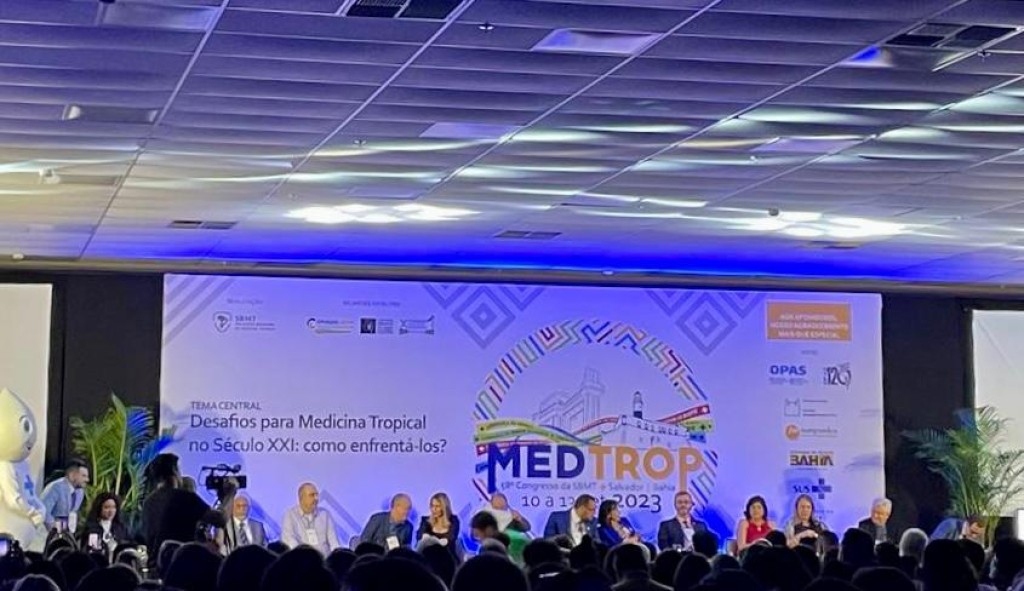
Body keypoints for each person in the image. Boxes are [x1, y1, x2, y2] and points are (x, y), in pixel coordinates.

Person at [142, 453, 210, 555]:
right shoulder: (185, 498)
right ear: (174, 471)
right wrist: (229, 493)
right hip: (181, 560)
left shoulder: (148, 503)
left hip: (155, 561)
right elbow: (220, 519)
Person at [280, 482, 341, 554]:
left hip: (325, 559)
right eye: (312, 495)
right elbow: (290, 542)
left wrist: (337, 556)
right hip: (302, 558)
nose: (316, 498)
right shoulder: (290, 516)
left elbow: (334, 541)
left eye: (316, 495)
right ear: (301, 498)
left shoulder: (325, 514)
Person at [39, 459, 89, 531]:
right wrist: (55, 529)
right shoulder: (56, 487)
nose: (87, 480)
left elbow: (73, 513)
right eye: (83, 476)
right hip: (46, 532)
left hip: (65, 532)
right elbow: (43, 511)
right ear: (72, 475)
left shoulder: (80, 492)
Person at [416, 492, 460, 558]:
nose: (434, 509)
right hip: (427, 557)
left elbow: (451, 539)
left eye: (437, 506)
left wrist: (431, 540)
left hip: (447, 557)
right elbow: (419, 538)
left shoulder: (454, 521)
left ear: (444, 507)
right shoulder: (425, 521)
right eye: (432, 506)